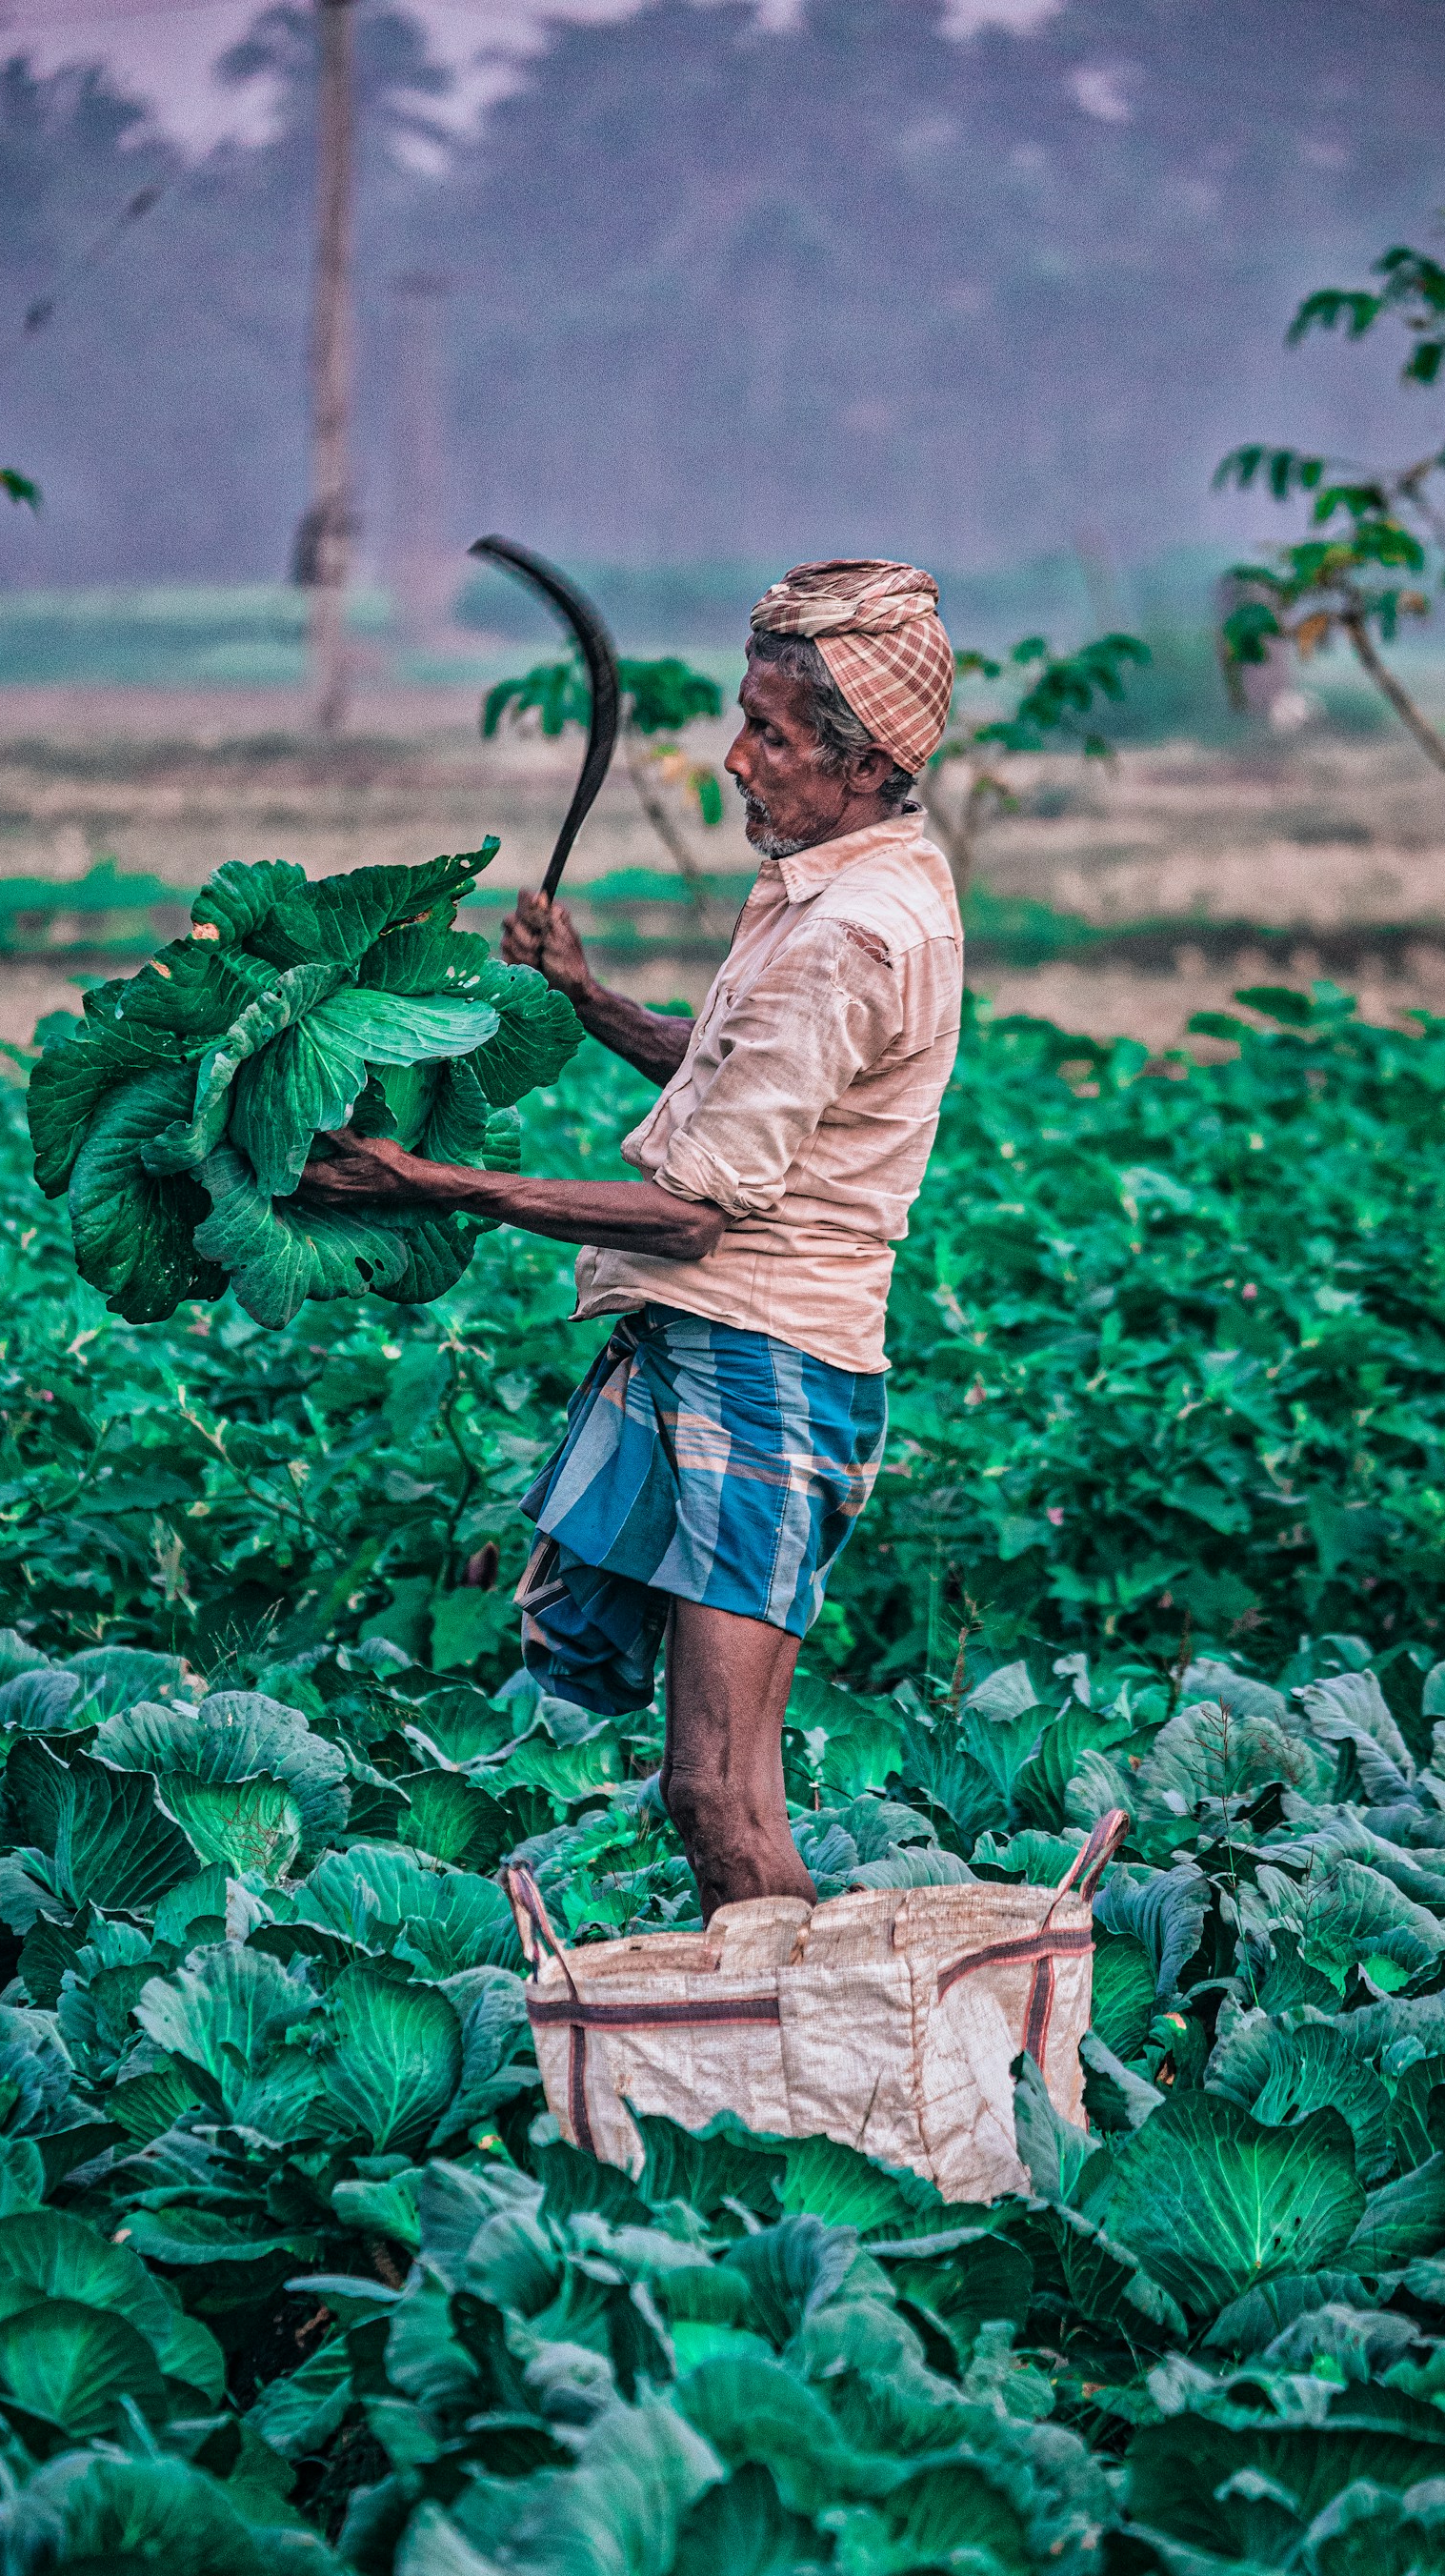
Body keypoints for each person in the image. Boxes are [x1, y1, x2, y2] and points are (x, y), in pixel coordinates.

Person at [299, 557, 962, 1920]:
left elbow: (699, 1204)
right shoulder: (842, 887)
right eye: (746, 718)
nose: (736, 760)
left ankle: (805, 2077)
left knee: (716, 1792)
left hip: (766, 1369)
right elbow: (738, 1080)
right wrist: (590, 1000)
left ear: (860, 762)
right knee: (659, 1737)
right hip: (712, 1348)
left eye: (771, 736)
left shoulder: (854, 934)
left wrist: (424, 1178)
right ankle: (759, 2029)